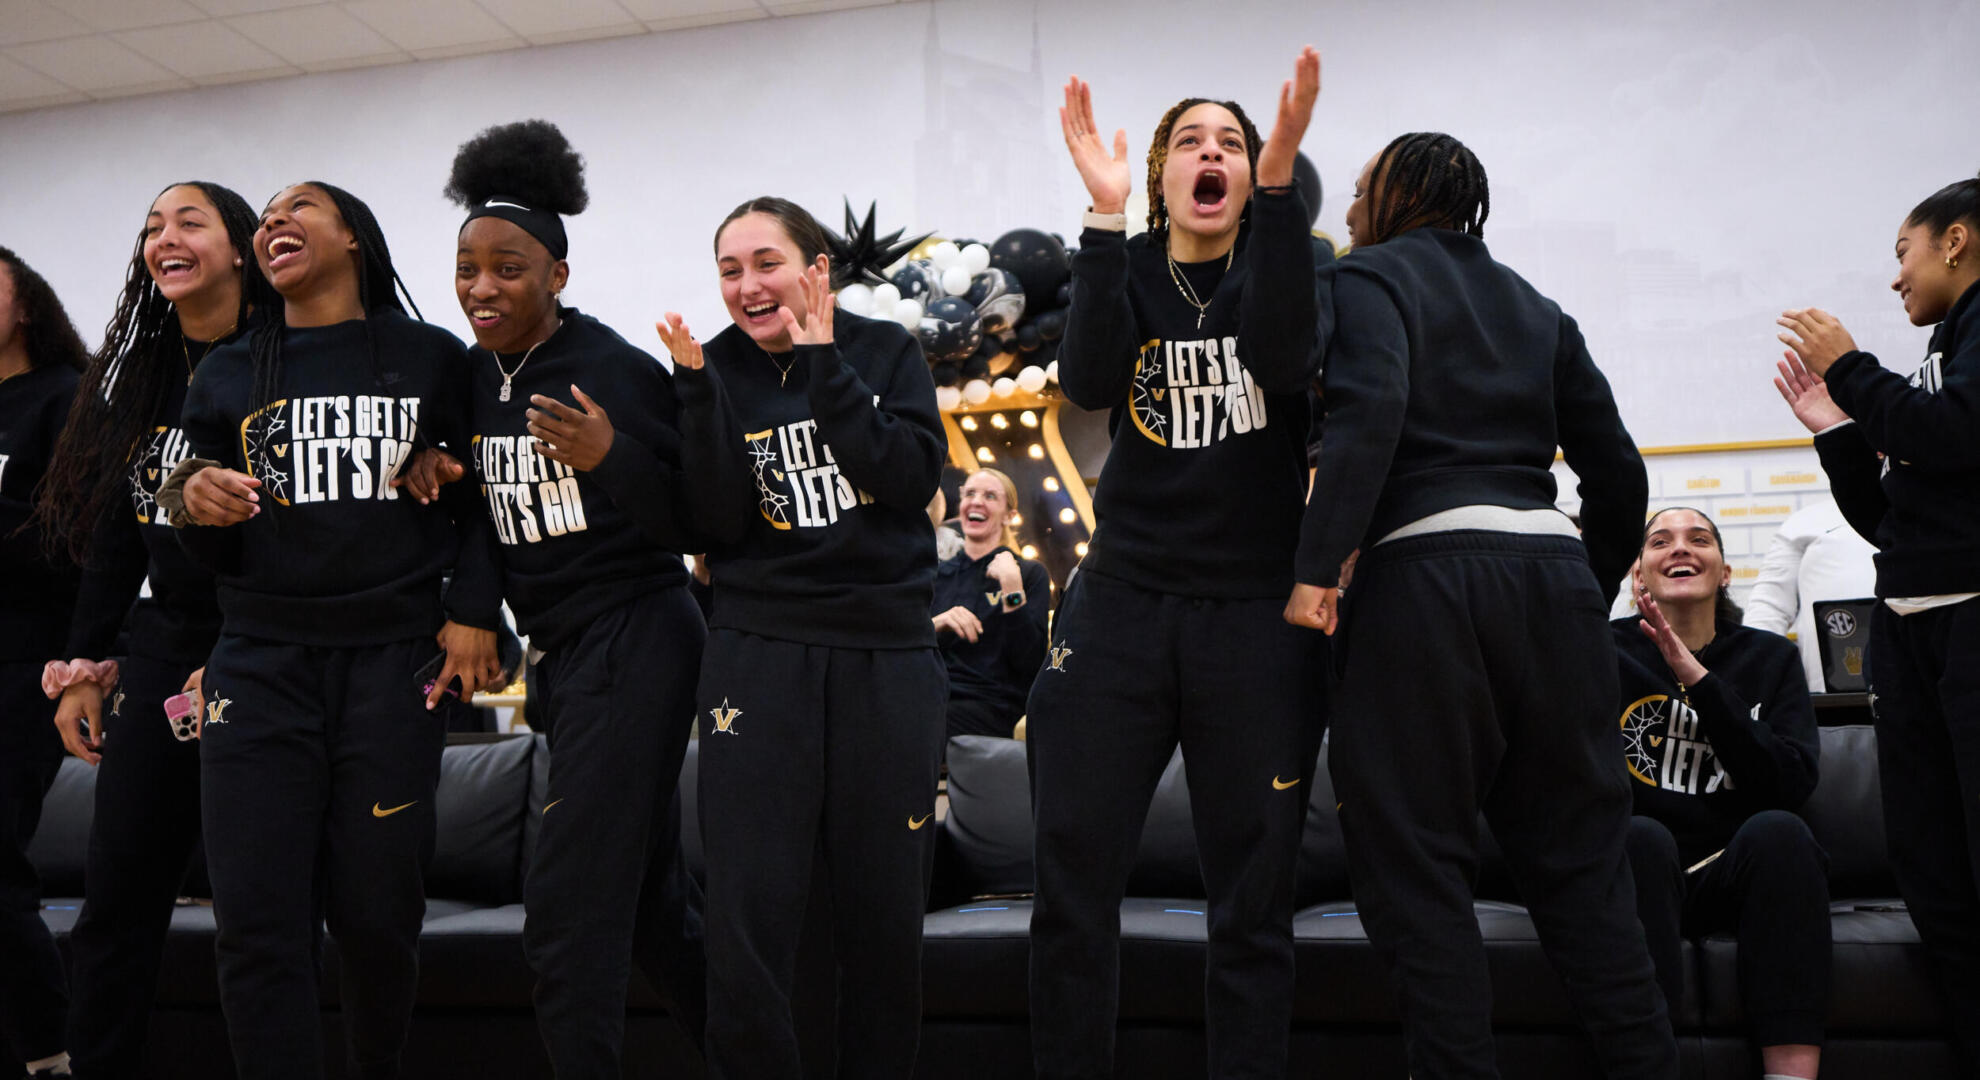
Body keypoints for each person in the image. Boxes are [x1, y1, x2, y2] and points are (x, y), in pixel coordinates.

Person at [1286, 132, 1674, 1078]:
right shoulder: (1540, 309)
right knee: (1588, 881)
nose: (1348, 212)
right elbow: (1619, 472)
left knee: (1421, 885)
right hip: (1550, 580)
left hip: (1423, 580)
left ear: (1401, 196)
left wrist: (1316, 564)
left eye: (1364, 190)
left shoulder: (1367, 278)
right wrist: (1585, 579)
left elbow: (1371, 410)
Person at [1027, 48, 1327, 1080]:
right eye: (1191, 142)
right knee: (1071, 882)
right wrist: (1102, 223)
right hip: (1121, 605)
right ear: (1159, 174)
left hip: (1251, 613)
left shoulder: (1292, 265)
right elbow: (1092, 378)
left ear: (1252, 175)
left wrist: (1281, 194)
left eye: (1232, 145)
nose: (1212, 155)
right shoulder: (1130, 265)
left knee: (1253, 901)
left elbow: (1288, 362)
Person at [162, 181, 503, 1080]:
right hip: (259, 663)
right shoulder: (229, 369)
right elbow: (188, 531)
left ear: (353, 236)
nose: (273, 221)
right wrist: (192, 500)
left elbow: (483, 497)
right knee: (256, 923)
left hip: (394, 664)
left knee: (377, 918)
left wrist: (473, 611)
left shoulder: (433, 357)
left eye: (297, 207)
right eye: (264, 215)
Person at [435, 118, 708, 1074]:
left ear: (557, 273)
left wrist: (613, 457)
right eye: (468, 269)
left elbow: (694, 516)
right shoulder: (470, 378)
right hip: (561, 653)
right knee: (647, 910)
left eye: (508, 269)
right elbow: (474, 506)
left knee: (564, 915)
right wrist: (474, 604)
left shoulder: (614, 370)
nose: (482, 289)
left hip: (640, 635)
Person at [656, 196, 946, 1079]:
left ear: (816, 268)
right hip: (758, 650)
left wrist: (823, 362)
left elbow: (905, 478)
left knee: (883, 915)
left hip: (885, 655)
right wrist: (697, 393)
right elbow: (710, 522)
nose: (747, 285)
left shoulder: (884, 350)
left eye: (766, 263)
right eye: (729, 269)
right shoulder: (715, 368)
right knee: (748, 913)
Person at [31, 181, 272, 1080]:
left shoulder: (284, 361)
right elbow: (113, 534)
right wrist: (88, 663)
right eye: (152, 228)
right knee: (118, 898)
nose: (165, 238)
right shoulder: (140, 374)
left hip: (268, 649)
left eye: (189, 222)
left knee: (259, 907)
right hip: (165, 646)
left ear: (241, 247)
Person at [1774, 170, 1980, 1073]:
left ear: (1957, 240)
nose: (1896, 278)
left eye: (1904, 252)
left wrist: (1850, 369)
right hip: (1910, 627)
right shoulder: (1940, 360)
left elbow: (1957, 433)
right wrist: (1836, 428)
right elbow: (1891, 518)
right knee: (1932, 874)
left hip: (1972, 621)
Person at [1618, 507, 1826, 1079]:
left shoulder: (1771, 658)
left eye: (1699, 539)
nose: (1680, 549)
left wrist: (1699, 681)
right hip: (1637, 873)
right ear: (1639, 577)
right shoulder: (1598, 653)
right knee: (1640, 837)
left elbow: (1789, 784)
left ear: (1725, 571)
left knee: (1781, 832)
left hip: (1734, 874)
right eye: (1660, 541)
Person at [0, 245, 87, 1080]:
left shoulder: (64, 399)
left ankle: (51, 1055)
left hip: (24, 665)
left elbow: (72, 545)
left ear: (25, 303)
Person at [930, 467, 1049, 741]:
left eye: (990, 496)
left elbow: (1029, 663)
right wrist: (936, 623)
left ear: (1010, 516)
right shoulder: (936, 574)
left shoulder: (1028, 573)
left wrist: (1011, 589)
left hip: (994, 705)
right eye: (970, 493)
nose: (977, 501)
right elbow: (908, 646)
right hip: (935, 694)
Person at [1743, 496, 1878, 691]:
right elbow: (1768, 609)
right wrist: (1755, 679)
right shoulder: (1806, 521)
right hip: (1828, 696)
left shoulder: (1926, 511)